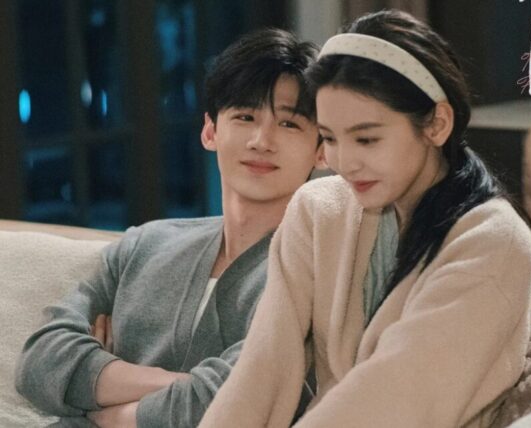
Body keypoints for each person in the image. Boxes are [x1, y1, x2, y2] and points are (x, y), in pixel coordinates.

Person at [198, 9, 531, 428]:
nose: (343, 162)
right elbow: (263, 368)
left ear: (437, 124)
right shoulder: (317, 210)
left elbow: (397, 400)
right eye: (329, 138)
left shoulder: (493, 240)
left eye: (366, 138)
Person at [15, 28, 324, 428]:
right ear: (210, 131)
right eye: (245, 117)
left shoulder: (311, 272)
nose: (261, 141)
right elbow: (39, 362)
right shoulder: (145, 244)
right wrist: (178, 384)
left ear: (321, 150)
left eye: (288, 124)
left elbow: (244, 400)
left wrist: (102, 399)